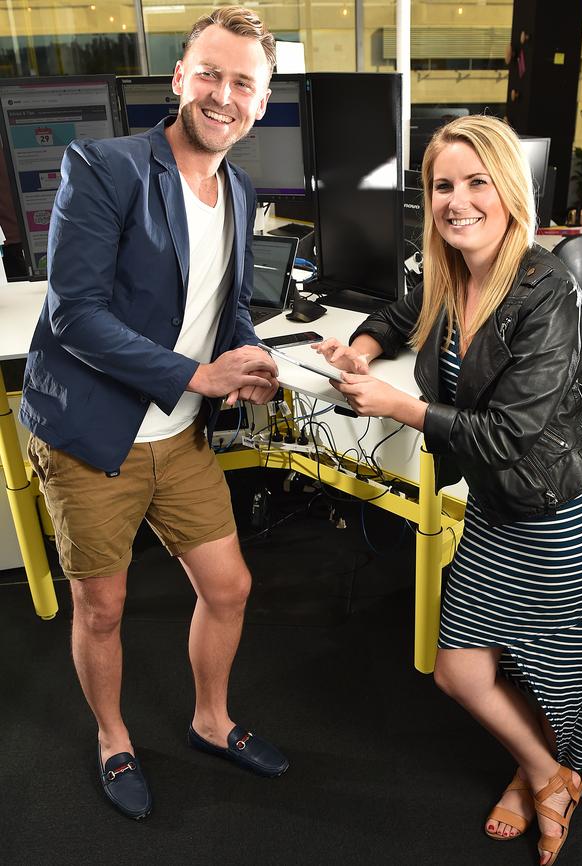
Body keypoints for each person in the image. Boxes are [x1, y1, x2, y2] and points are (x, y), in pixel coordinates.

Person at [314, 115, 582, 866]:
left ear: (508, 189)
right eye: (442, 186)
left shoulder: (544, 288)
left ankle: (545, 777)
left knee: (559, 674)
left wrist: (397, 406)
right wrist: (356, 351)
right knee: (459, 669)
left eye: (475, 182)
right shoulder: (451, 271)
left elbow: (508, 434)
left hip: (561, 518)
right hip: (496, 508)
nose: (458, 201)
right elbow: (398, 316)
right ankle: (549, 774)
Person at [20, 6, 289, 821]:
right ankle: (113, 737)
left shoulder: (240, 187)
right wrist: (197, 373)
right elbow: (76, 313)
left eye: (243, 82)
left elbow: (228, 304)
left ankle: (212, 720)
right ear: (179, 79)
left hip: (178, 437)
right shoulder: (105, 167)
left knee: (230, 586)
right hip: (93, 435)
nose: (223, 94)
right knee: (103, 607)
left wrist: (247, 359)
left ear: (262, 101)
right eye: (209, 73)